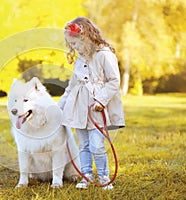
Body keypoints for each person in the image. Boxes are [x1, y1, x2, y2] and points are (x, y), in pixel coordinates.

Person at [58, 17, 125, 190]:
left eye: (75, 43)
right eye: (70, 44)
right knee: (84, 145)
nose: (73, 47)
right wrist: (61, 104)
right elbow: (72, 85)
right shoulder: (80, 58)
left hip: (96, 109)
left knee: (96, 145)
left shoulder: (104, 55)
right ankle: (86, 175)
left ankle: (103, 177)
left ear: (85, 37)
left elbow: (113, 80)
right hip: (79, 108)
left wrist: (101, 100)